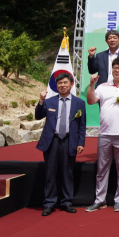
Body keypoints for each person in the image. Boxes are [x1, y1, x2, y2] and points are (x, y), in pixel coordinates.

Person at [85, 56, 119, 212]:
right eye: (115, 67)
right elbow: (90, 100)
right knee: (102, 168)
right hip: (104, 134)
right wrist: (91, 84)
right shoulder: (102, 86)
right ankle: (99, 200)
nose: (117, 70)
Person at [35, 73, 86, 216]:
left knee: (67, 172)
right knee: (50, 173)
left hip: (69, 141)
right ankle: (49, 203)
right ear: (56, 86)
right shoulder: (49, 101)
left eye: (65, 83)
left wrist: (81, 142)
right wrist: (40, 101)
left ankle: (67, 202)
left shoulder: (79, 103)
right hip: (52, 141)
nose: (62, 85)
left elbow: (82, 125)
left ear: (71, 84)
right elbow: (38, 115)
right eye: (59, 83)